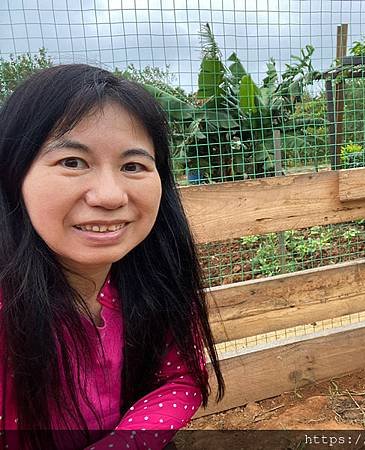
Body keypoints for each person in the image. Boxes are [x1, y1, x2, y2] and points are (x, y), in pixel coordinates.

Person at [0, 64, 224, 450]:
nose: (109, 195)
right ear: (13, 173)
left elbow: (181, 376)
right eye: (72, 162)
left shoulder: (154, 279)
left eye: (133, 166)